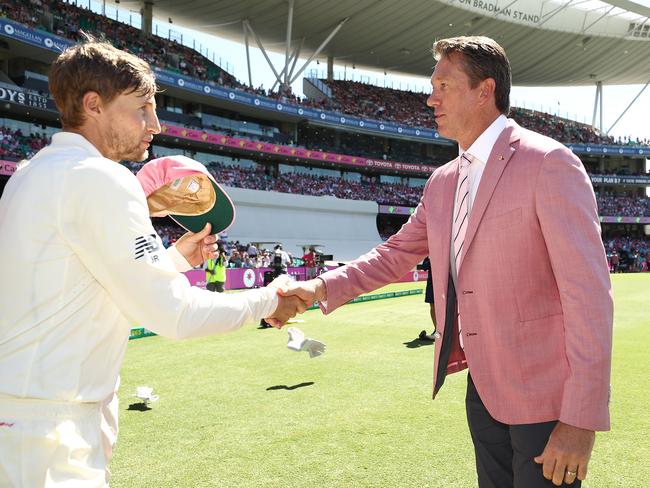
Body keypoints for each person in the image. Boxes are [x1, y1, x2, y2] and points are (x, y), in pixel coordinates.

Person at [280, 36, 613, 488]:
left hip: (547, 400)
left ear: (484, 90)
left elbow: (589, 297)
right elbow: (395, 252)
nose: (430, 97)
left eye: (443, 85)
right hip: (484, 391)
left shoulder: (549, 163)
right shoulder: (442, 181)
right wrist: (319, 287)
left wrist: (580, 419)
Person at [0, 39, 304, 486]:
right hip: (51, 428)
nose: (156, 123)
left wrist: (175, 259)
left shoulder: (32, 172)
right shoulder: (100, 178)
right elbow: (174, 315)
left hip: (29, 416)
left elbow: (83, 285)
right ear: (93, 105)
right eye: (142, 108)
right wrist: (267, 300)